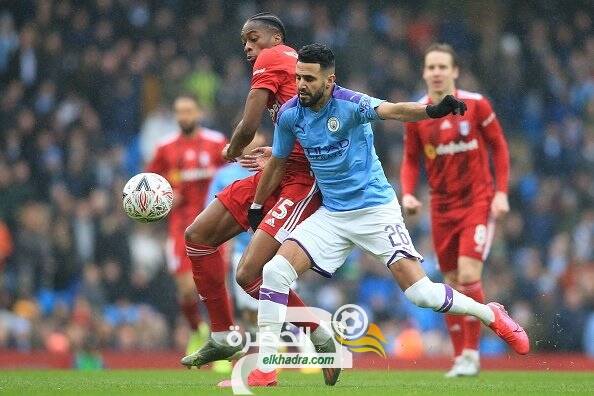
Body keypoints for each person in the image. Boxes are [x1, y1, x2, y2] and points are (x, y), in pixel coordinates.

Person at [244, 43, 529, 387]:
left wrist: (433, 111)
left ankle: (491, 314)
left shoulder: (350, 104)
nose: (301, 84)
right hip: (333, 215)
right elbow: (277, 161)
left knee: (421, 294)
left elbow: (395, 110)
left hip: (375, 211)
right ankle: (266, 367)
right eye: (298, 77)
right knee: (274, 271)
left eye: (309, 78)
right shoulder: (290, 115)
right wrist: (259, 206)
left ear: (330, 80)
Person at [181, 14, 335, 383]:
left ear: (275, 37)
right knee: (198, 238)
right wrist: (276, 151)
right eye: (244, 42)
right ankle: (222, 336)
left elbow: (247, 125)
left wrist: (230, 150)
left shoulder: (275, 56)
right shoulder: (292, 68)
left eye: (253, 38)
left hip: (301, 181)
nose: (249, 47)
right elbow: (297, 127)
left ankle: (285, 353)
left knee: (250, 272)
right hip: (278, 170)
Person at [400, 43, 510, 377]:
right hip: (441, 209)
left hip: (476, 203)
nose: (436, 72)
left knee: (467, 276)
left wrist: (501, 193)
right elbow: (410, 160)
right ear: (423, 72)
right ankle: (461, 356)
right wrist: (407, 194)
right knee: (447, 284)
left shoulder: (476, 105)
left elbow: (500, 148)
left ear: (455, 71)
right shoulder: (418, 113)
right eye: (430, 67)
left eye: (442, 67)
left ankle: (473, 354)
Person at [145, 94, 227, 355]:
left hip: (214, 225)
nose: (184, 116)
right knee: (186, 289)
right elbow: (148, 186)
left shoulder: (216, 143)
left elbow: (232, 178)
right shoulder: (165, 147)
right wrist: (166, 196)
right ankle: (197, 330)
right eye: (179, 111)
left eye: (189, 111)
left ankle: (222, 340)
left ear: (199, 112)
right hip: (180, 227)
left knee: (215, 284)